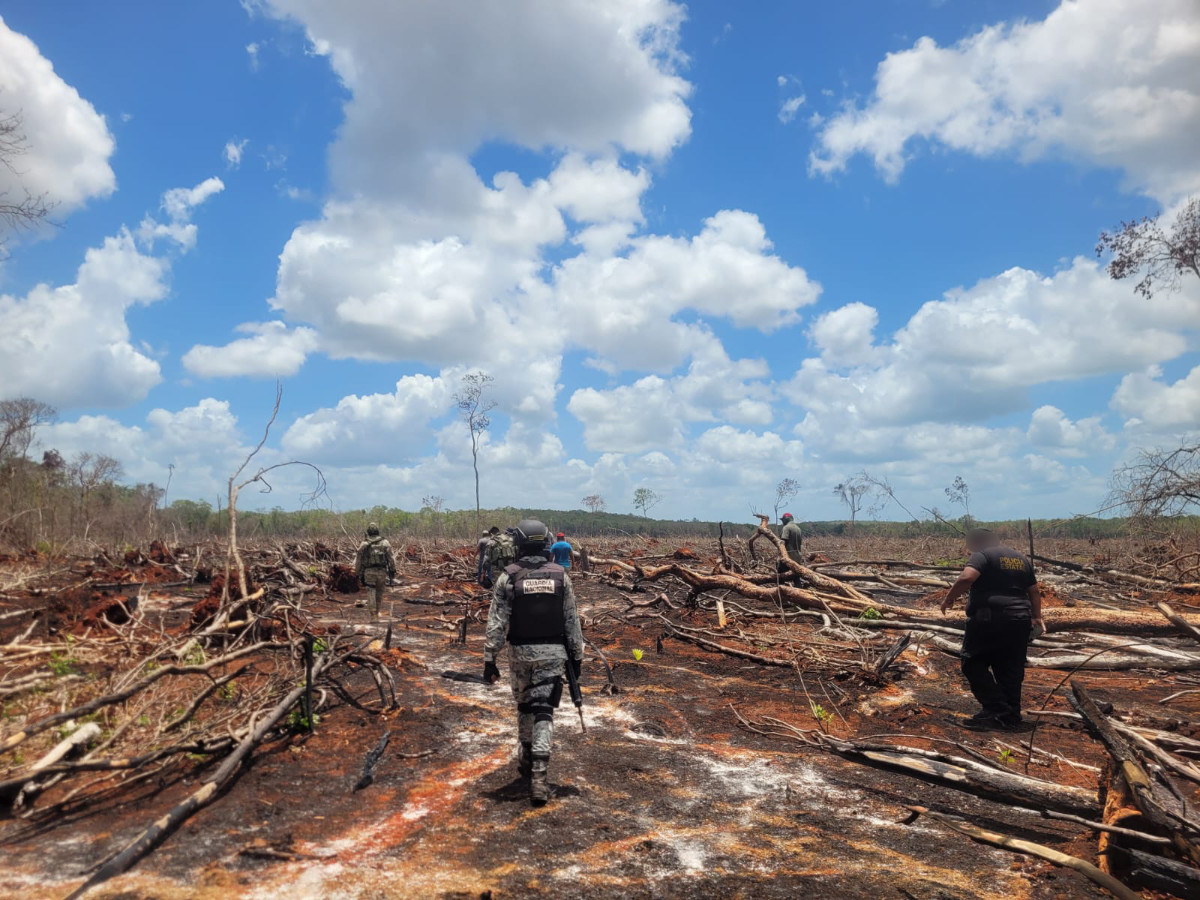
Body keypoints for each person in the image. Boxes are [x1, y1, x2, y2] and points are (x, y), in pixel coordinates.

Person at [483, 519, 584, 806]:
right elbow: (572, 622)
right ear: (546, 543)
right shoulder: (561, 577)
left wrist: (490, 658)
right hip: (553, 654)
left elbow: (496, 622)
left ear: (520, 545)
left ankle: (528, 760)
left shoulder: (508, 577)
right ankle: (539, 775)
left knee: (525, 706)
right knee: (543, 711)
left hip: (519, 654)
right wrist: (577, 657)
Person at [940, 528, 1044, 731]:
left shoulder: (982, 555)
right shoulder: (1020, 558)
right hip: (1020, 620)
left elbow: (966, 578)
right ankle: (1012, 715)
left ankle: (996, 708)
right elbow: (1034, 591)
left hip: (989, 618)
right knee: (1010, 668)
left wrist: (949, 598)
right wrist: (1037, 618)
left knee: (972, 662)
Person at [354, 522, 396, 619]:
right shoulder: (385, 543)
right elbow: (391, 558)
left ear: (368, 532)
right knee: (379, 593)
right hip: (381, 572)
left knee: (371, 592)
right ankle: (376, 613)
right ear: (377, 531)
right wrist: (393, 570)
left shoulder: (364, 543)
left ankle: (373, 615)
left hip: (369, 572)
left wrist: (357, 572)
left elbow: (359, 559)